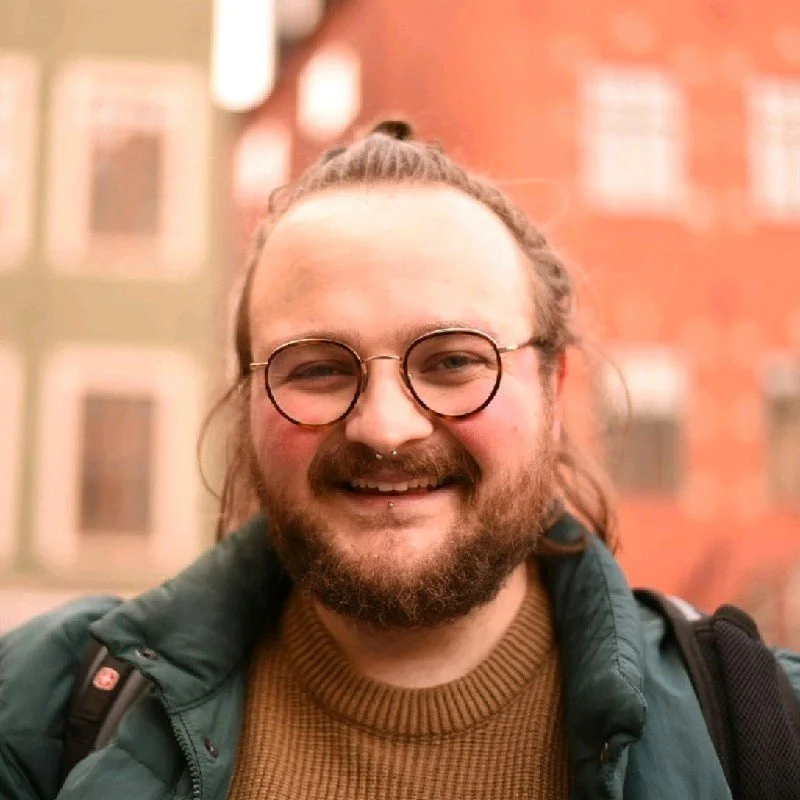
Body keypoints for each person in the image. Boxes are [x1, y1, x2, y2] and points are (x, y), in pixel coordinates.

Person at [1, 120, 798, 800]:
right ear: (246, 405)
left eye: (453, 361)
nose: (386, 428)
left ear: (554, 389)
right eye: (316, 368)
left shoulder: (760, 723)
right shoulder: (39, 710)